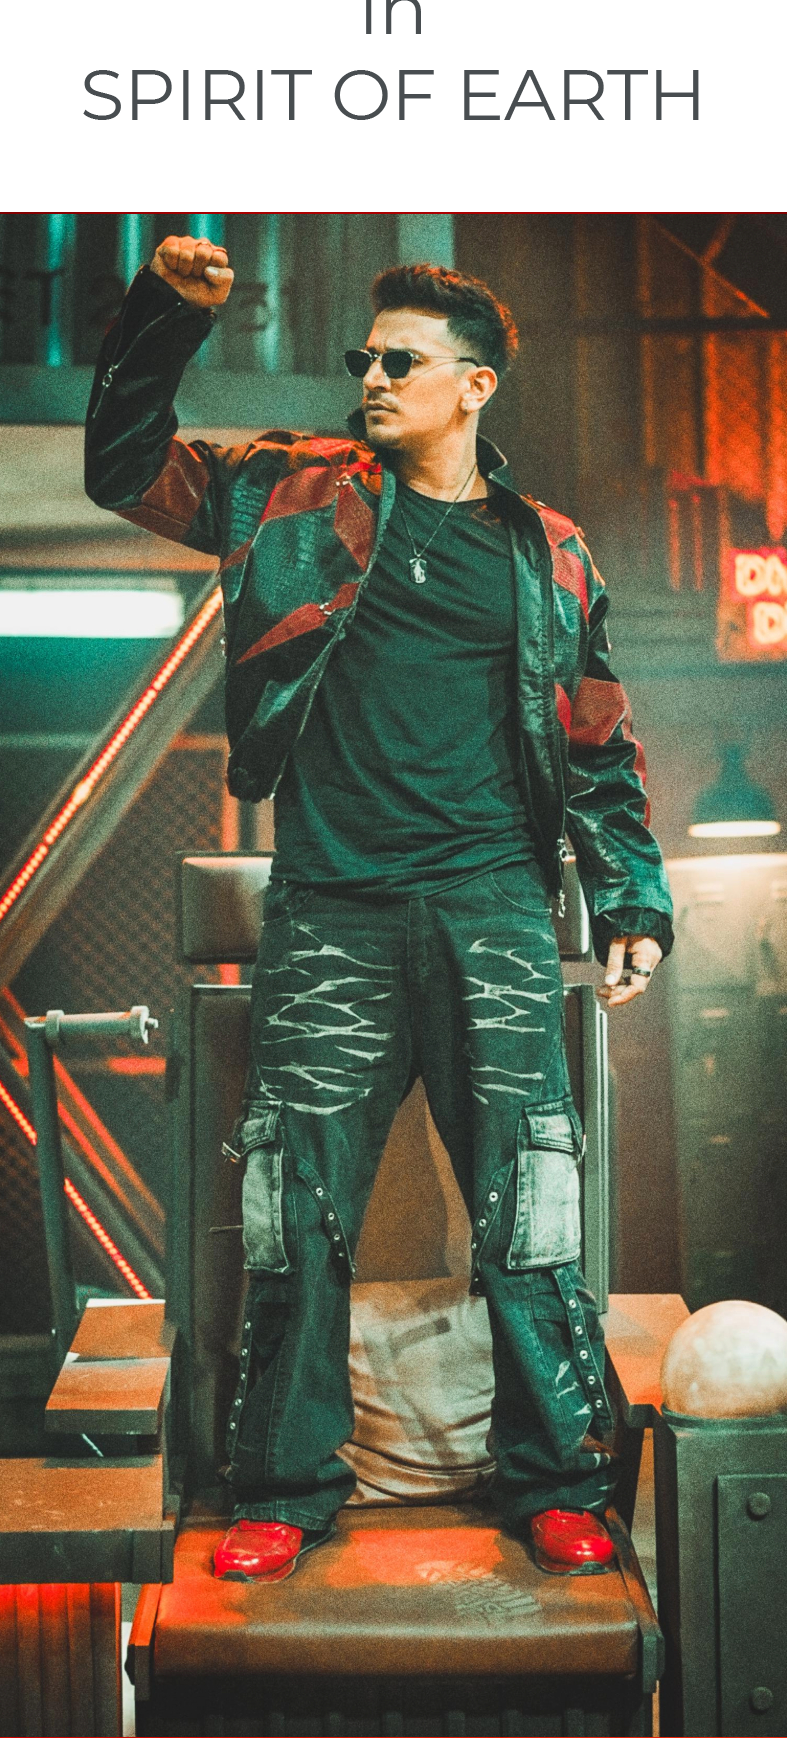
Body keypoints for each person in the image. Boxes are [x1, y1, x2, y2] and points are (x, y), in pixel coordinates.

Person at [85, 233, 674, 1584]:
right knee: (294, 1210)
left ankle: (556, 1481)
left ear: (474, 387)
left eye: (402, 361)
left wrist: (631, 896)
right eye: (365, 358)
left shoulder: (547, 551)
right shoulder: (284, 494)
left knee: (530, 1206)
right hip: (334, 910)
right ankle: (284, 1488)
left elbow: (595, 739)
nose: (371, 377)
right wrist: (165, 312)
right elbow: (121, 464)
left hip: (494, 910)